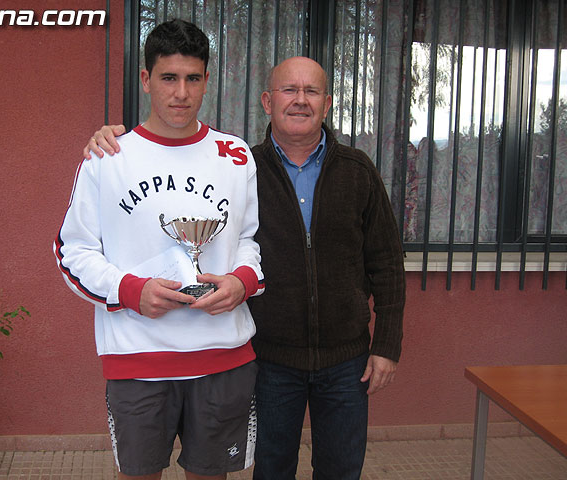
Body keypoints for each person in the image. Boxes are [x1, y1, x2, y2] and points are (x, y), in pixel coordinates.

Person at [84, 56, 405, 480]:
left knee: (342, 469)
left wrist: (386, 344)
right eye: (290, 91)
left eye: (312, 92)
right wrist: (111, 139)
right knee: (270, 470)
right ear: (267, 101)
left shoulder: (358, 170)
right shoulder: (241, 167)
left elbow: (385, 261)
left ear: (327, 104)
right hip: (271, 359)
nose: (300, 101)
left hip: (346, 360)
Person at [55, 19, 265, 480]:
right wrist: (132, 291)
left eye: (193, 79)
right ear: (147, 80)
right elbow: (74, 251)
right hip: (138, 360)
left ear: (208, 80)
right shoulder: (108, 157)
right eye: (168, 78)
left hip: (223, 356)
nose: (181, 93)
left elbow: (249, 240)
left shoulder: (235, 155)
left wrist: (241, 282)